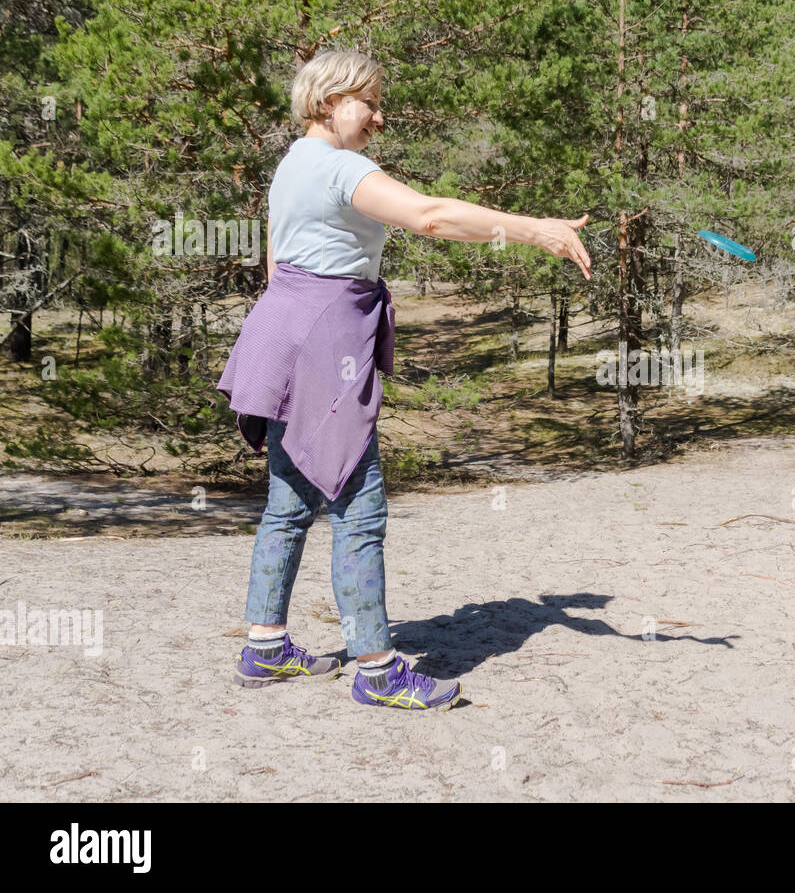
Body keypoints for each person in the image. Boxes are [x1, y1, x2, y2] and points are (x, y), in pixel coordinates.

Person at [218, 50, 591, 710]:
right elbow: (430, 217)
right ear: (330, 100)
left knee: (290, 503)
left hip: (285, 331)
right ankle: (379, 671)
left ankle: (266, 646)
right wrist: (537, 231)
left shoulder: (292, 165)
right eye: (370, 101)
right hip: (324, 341)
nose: (379, 116)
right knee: (360, 510)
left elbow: (278, 264)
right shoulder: (337, 166)